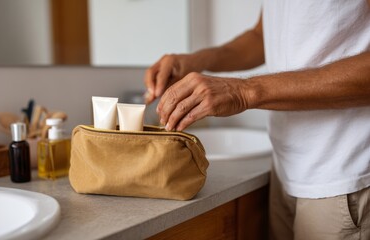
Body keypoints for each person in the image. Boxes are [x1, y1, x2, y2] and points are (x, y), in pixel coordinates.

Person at [144, 1, 370, 239]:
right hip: (286, 170)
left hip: (344, 175)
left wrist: (243, 91)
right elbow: (260, 35)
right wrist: (198, 60)